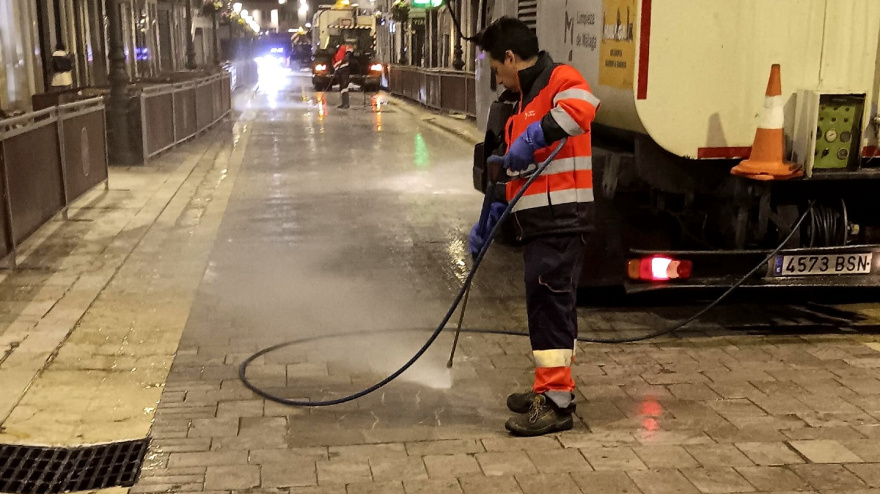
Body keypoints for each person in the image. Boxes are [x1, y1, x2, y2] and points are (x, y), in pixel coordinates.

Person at [472, 17, 599, 436]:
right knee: (546, 310)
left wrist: (532, 138)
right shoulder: (521, 106)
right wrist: (494, 209)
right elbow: (527, 174)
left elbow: (583, 107)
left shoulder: (561, 79)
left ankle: (557, 404)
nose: (497, 77)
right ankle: (550, 389)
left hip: (562, 222)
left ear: (509, 58)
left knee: (550, 310)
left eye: (495, 68)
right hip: (542, 224)